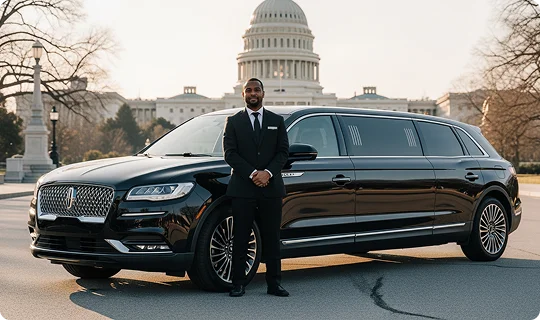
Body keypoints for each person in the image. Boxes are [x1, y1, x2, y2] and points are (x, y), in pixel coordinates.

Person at [223, 78, 290, 297]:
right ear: (243, 94)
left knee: (272, 237)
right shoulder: (233, 121)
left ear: (263, 93)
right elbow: (230, 154)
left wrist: (267, 173)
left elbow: (283, 152)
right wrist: (253, 174)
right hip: (243, 188)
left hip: (271, 188)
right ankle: (238, 283)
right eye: (249, 90)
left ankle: (274, 283)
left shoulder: (276, 121)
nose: (253, 93)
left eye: (257, 90)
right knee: (240, 237)